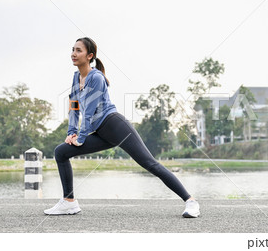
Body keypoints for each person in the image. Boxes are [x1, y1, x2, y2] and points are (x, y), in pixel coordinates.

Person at [44, 37, 200, 218]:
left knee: (150, 164)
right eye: (73, 49)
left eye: (79, 50)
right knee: (61, 152)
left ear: (90, 56)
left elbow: (89, 112)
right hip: (101, 131)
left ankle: (191, 202)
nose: (73, 53)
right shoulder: (76, 77)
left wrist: (80, 136)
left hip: (115, 125)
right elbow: (74, 107)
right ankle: (69, 202)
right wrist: (71, 132)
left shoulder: (96, 77)